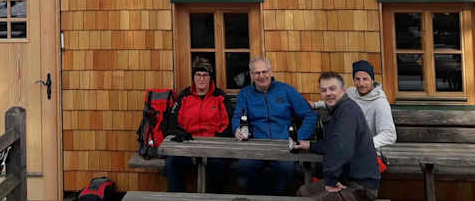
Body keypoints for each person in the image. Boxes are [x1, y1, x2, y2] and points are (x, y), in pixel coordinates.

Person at [230, 57, 317, 195]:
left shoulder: (286, 90)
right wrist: (236, 129)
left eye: (265, 71)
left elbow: (309, 115)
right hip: (255, 145)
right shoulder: (245, 94)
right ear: (251, 75)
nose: (261, 76)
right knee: (243, 173)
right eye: (257, 73)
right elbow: (237, 117)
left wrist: (299, 138)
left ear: (271, 72)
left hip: (283, 145)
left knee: (285, 172)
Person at [294, 72, 380, 201]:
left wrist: (331, 180)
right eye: (324, 90)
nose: (328, 93)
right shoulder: (336, 111)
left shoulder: (347, 112)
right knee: (303, 192)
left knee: (324, 199)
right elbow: (332, 144)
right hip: (345, 179)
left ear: (343, 90)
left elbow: (341, 148)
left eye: (332, 88)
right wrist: (310, 145)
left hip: (361, 187)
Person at [162, 58, 232, 192]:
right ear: (193, 77)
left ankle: (214, 198)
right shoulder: (184, 96)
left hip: (213, 145)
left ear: (211, 78)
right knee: (172, 162)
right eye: (198, 75)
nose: (202, 79)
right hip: (188, 144)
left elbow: (227, 123)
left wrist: (216, 138)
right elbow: (173, 122)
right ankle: (178, 197)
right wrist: (180, 133)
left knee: (219, 164)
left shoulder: (219, 96)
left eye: (205, 75)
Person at [311, 60, 396, 154]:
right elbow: (335, 100)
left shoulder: (380, 103)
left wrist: (364, 144)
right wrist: (315, 104)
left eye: (365, 79)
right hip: (346, 144)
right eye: (357, 79)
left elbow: (389, 135)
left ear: (372, 80)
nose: (361, 83)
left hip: (367, 150)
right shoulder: (351, 93)